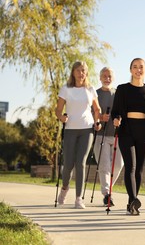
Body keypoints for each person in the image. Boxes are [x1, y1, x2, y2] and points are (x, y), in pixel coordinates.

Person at [111, 58, 145, 215]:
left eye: (141, 67)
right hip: (127, 129)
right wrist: (116, 118)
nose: (138, 70)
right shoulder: (122, 89)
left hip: (144, 131)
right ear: (130, 70)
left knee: (139, 169)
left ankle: (131, 204)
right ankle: (134, 199)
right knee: (130, 166)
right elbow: (115, 111)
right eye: (135, 67)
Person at [55, 61, 102, 209]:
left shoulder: (90, 89)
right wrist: (62, 117)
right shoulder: (66, 89)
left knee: (81, 162)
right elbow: (58, 110)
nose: (81, 73)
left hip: (87, 129)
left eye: (83, 70)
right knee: (68, 164)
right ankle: (64, 188)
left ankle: (79, 198)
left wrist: (97, 121)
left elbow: (97, 109)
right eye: (78, 70)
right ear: (73, 72)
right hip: (70, 129)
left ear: (86, 73)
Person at [93, 67, 124, 206]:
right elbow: (90, 112)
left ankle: (108, 189)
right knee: (104, 166)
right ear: (100, 78)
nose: (107, 78)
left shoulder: (118, 93)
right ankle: (107, 194)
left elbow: (123, 111)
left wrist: (119, 119)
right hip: (101, 135)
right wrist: (100, 117)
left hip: (117, 134)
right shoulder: (95, 93)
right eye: (104, 76)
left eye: (109, 76)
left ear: (113, 78)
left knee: (118, 164)